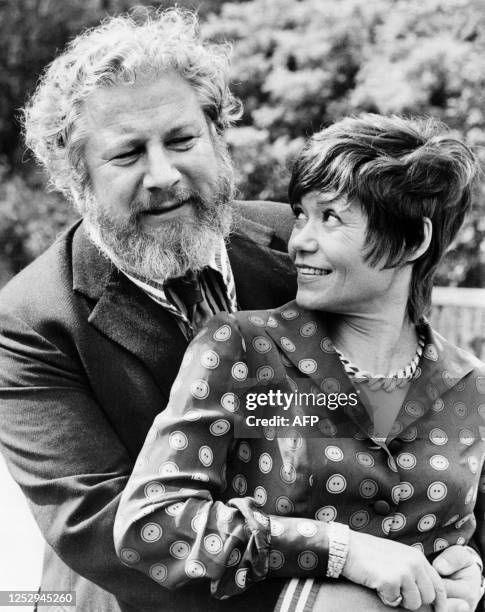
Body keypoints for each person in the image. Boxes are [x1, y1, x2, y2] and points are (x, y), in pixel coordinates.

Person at [114, 114, 485, 612]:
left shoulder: (471, 385)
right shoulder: (241, 347)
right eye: (301, 215)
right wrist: (339, 551)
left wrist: (469, 572)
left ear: (413, 241)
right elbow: (151, 524)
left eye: (329, 217)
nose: (298, 241)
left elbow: (464, 541)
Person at [0, 8, 297, 612]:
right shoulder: (28, 321)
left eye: (182, 140)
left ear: (219, 134)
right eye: (128, 154)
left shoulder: (301, 243)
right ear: (74, 176)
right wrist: (318, 590)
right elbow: (102, 529)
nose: (163, 175)